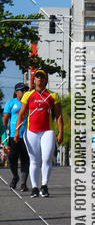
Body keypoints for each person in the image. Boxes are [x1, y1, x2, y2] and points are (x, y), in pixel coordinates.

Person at [13, 70, 63, 198]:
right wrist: (17, 131)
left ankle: (44, 186)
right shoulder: (28, 95)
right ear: (34, 80)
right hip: (31, 131)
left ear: (46, 80)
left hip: (47, 131)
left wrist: (60, 132)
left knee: (46, 158)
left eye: (42, 77)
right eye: (37, 76)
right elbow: (22, 114)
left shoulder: (53, 95)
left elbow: (58, 115)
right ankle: (35, 187)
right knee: (34, 160)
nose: (39, 78)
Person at [3, 82, 30, 191]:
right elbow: (5, 119)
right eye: (22, 90)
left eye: (26, 90)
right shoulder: (11, 102)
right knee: (12, 158)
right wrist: (4, 136)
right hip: (13, 136)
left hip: (27, 136)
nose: (24, 92)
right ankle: (15, 176)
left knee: (25, 159)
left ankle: (23, 183)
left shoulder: (29, 103)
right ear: (16, 92)